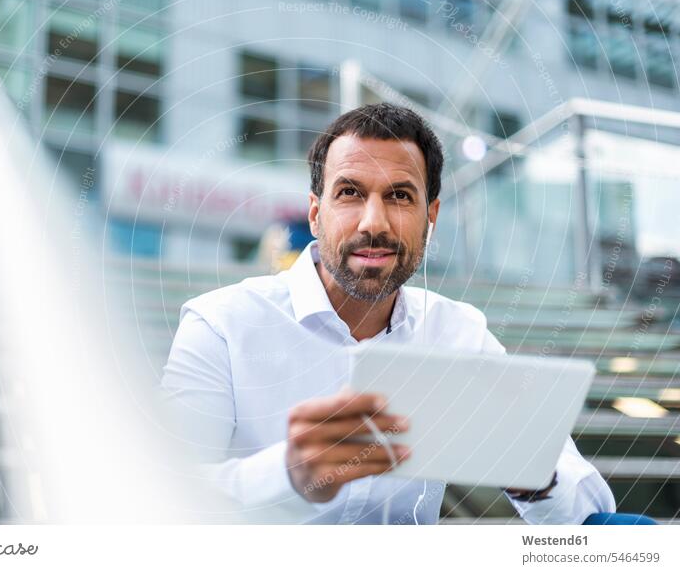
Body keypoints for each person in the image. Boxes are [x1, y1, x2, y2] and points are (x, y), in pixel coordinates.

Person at [160, 103, 618, 524]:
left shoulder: (459, 333)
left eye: (399, 196)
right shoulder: (220, 325)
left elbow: (589, 519)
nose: (374, 223)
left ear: (431, 216)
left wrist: (532, 471)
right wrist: (284, 473)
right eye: (350, 193)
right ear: (316, 215)